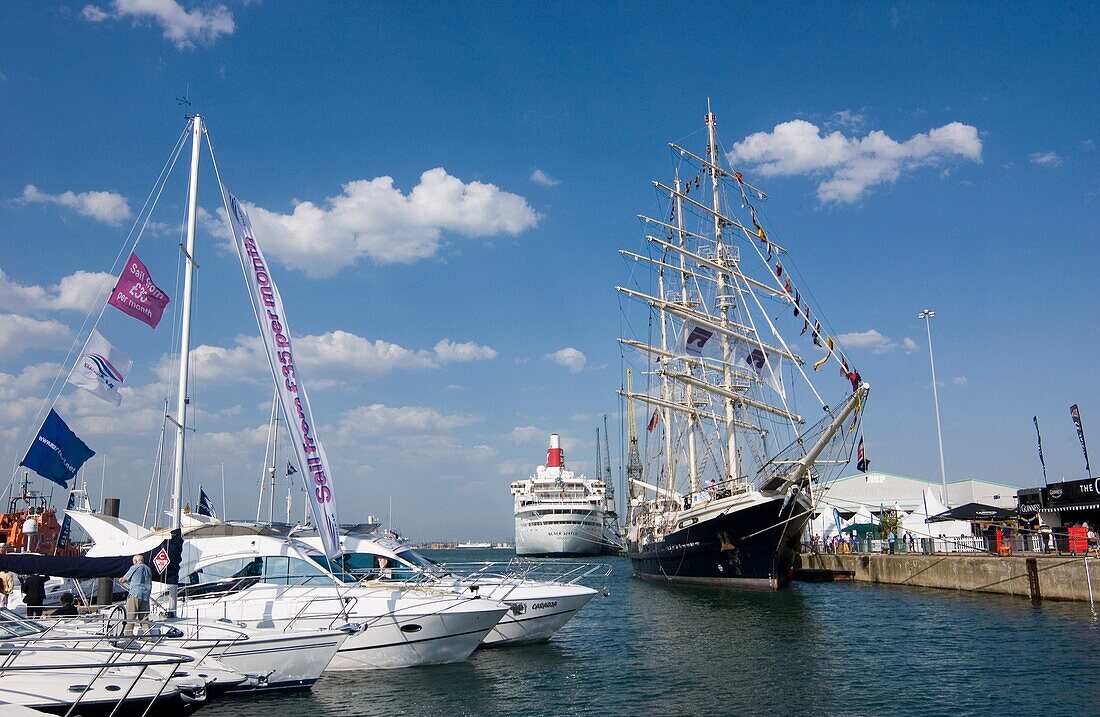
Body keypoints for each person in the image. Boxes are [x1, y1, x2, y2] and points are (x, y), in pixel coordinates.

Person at [118, 554, 152, 636]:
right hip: (145, 596)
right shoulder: (148, 569)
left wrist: (121, 580)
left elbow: (124, 579)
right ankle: (148, 636)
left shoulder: (135, 567)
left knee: (130, 616)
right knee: (144, 618)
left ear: (136, 561)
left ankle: (128, 635)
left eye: (133, 562)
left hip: (135, 594)